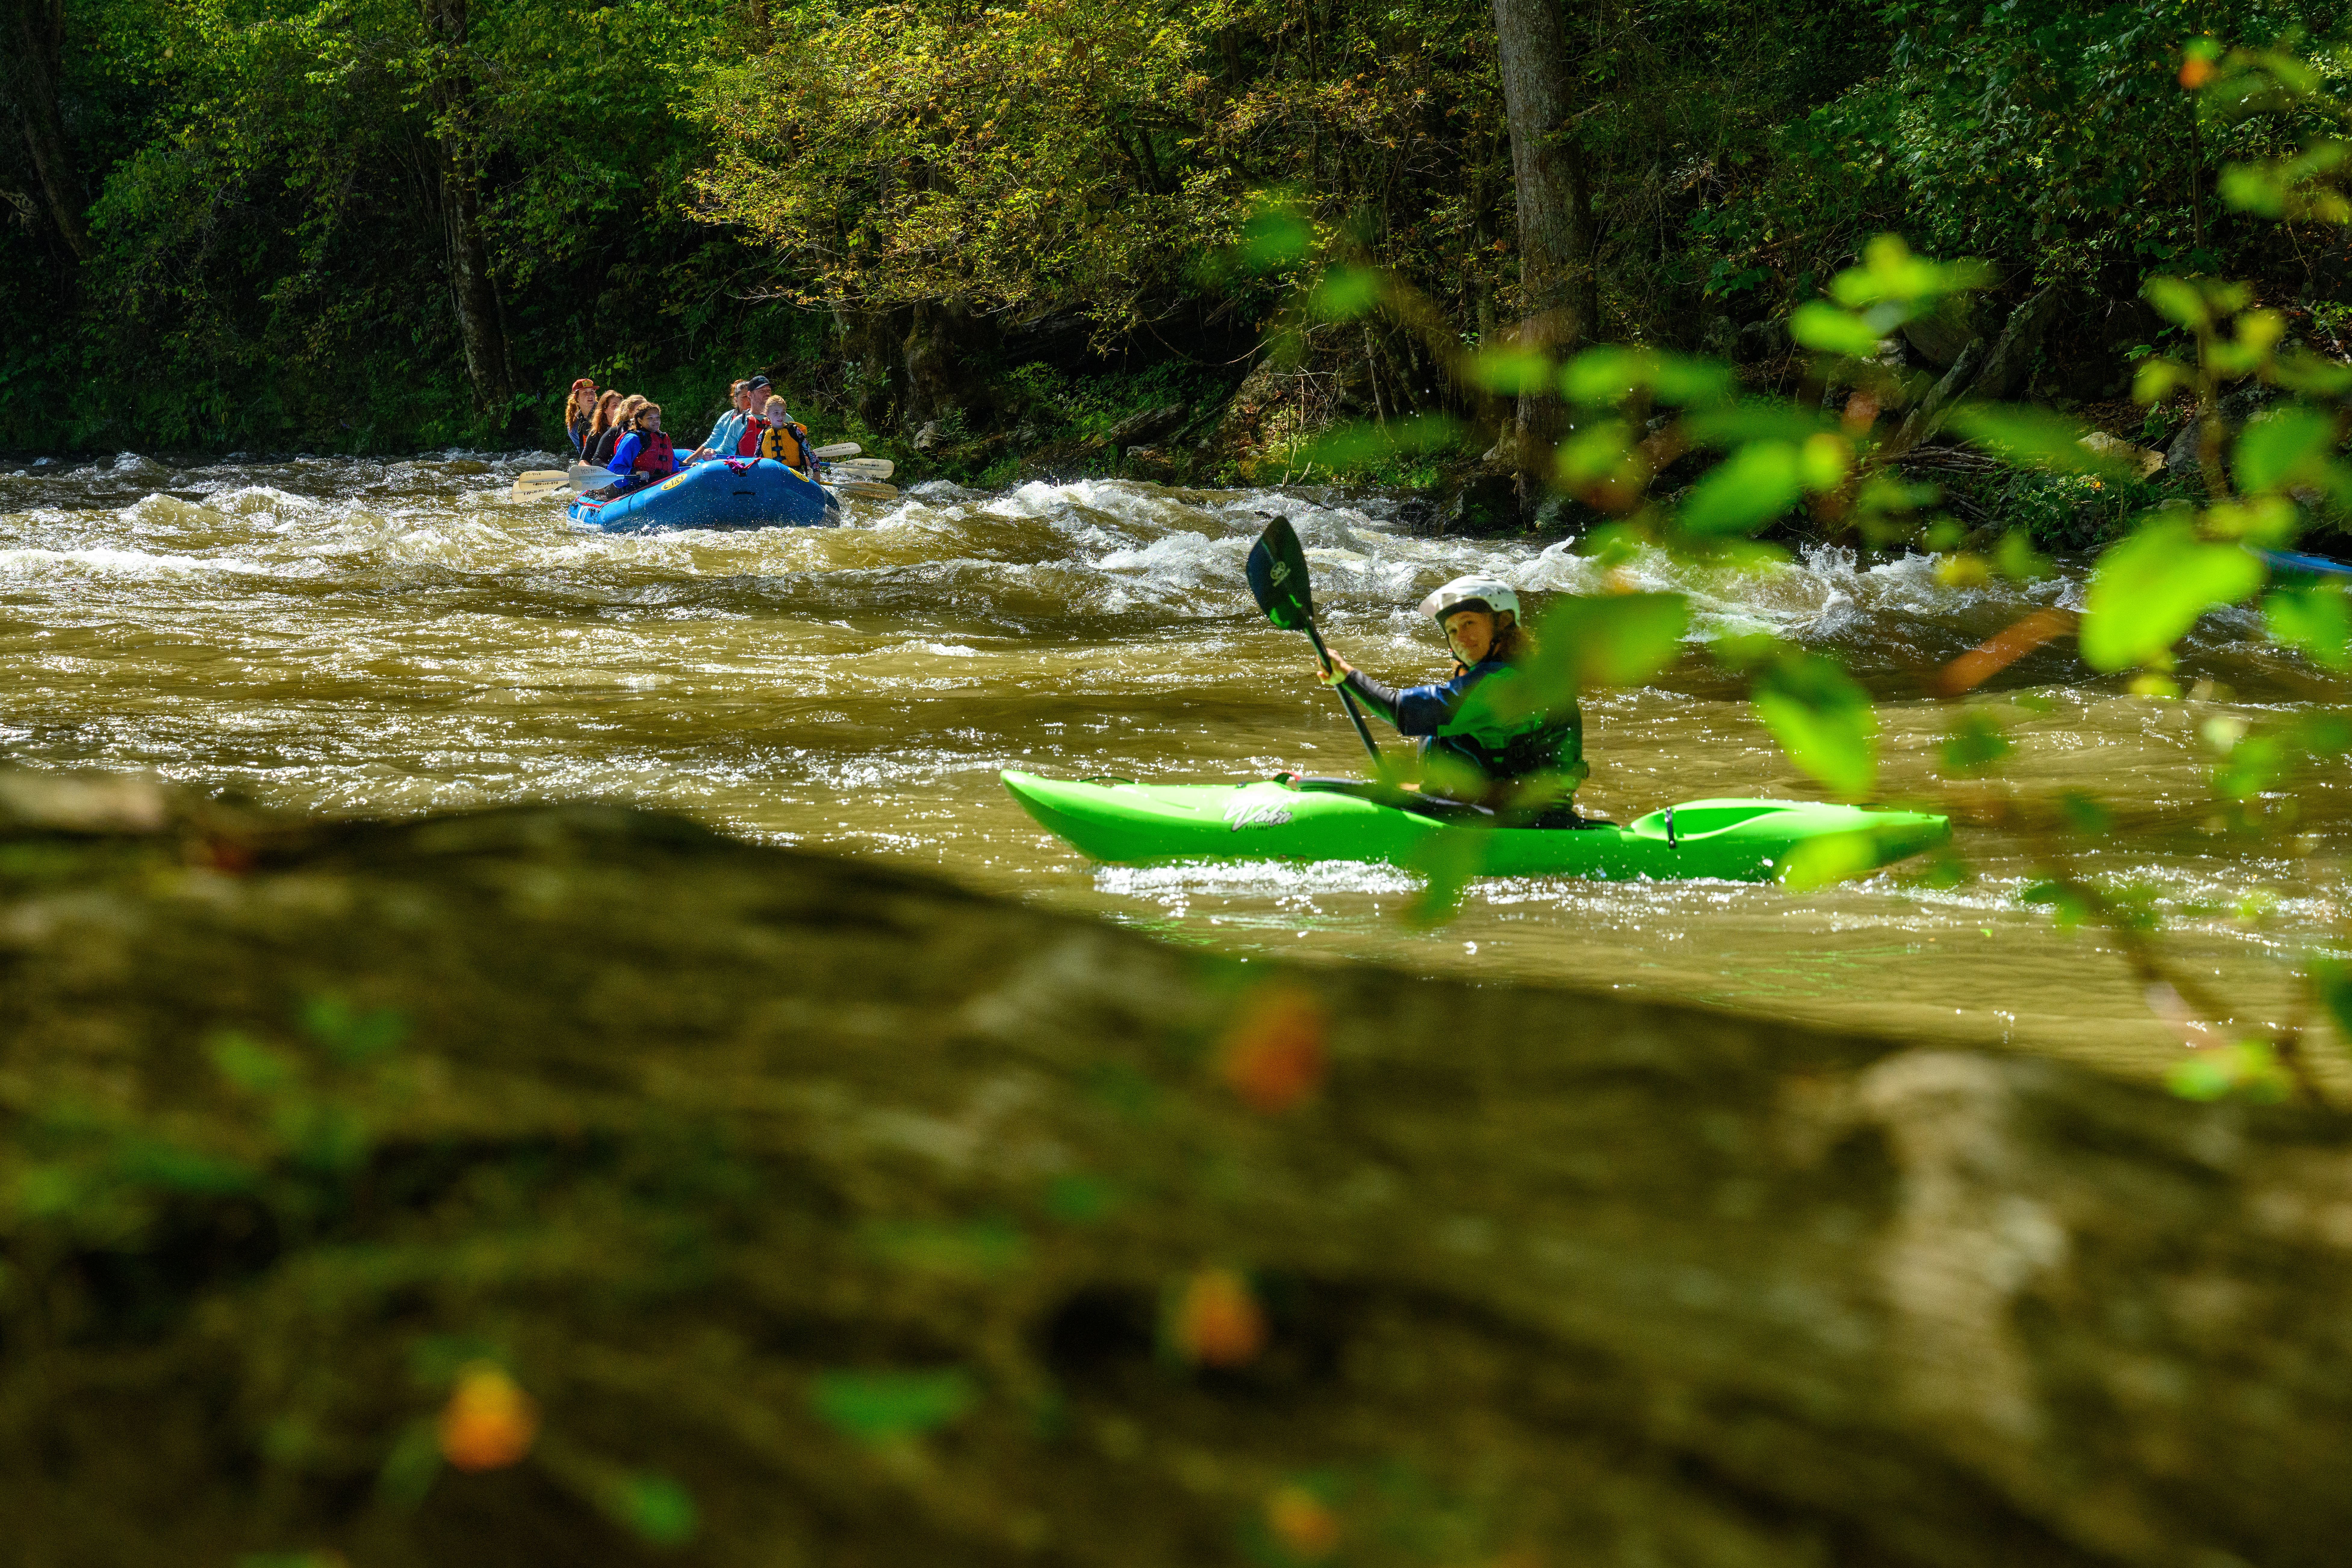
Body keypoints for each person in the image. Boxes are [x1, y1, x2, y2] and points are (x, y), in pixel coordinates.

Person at [1313, 575, 1587, 821]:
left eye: (1469, 623)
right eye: (1452, 630)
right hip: (1504, 813)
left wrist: (1347, 675)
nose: (1460, 638)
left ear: (1502, 624)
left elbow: (1401, 710)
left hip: (1527, 821)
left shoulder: (1505, 682)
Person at [588, 403, 677, 499]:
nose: (656, 421)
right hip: (631, 490)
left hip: (658, 486)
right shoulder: (633, 439)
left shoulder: (662, 438)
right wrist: (637, 472)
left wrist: (690, 466)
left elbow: (673, 465)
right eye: (650, 418)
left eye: (657, 418)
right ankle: (599, 490)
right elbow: (615, 469)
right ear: (640, 421)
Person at [690, 380, 754, 463]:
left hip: (749, 462)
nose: (749, 400)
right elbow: (713, 443)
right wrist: (688, 462)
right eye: (745, 397)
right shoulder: (727, 418)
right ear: (736, 400)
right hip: (730, 462)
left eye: (751, 396)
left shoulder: (762, 417)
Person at [754, 394, 816, 475]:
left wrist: (817, 475)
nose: (781, 416)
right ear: (767, 414)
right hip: (773, 476)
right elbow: (756, 460)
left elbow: (812, 455)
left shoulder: (795, 431)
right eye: (776, 413)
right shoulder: (763, 435)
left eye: (783, 413)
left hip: (795, 476)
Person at [591, 395, 645, 466]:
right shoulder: (615, 433)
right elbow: (596, 461)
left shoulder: (654, 434)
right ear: (630, 412)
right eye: (641, 411)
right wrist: (614, 470)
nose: (646, 414)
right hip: (619, 474)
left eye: (647, 410)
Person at [581, 390, 622, 462]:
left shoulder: (626, 429)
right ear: (605, 410)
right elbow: (583, 462)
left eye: (621, 406)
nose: (619, 409)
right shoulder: (597, 433)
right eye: (615, 406)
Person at [562, 378, 599, 458]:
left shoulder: (605, 413)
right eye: (585, 392)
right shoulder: (573, 425)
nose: (590, 395)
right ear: (577, 398)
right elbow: (581, 452)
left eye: (592, 392)